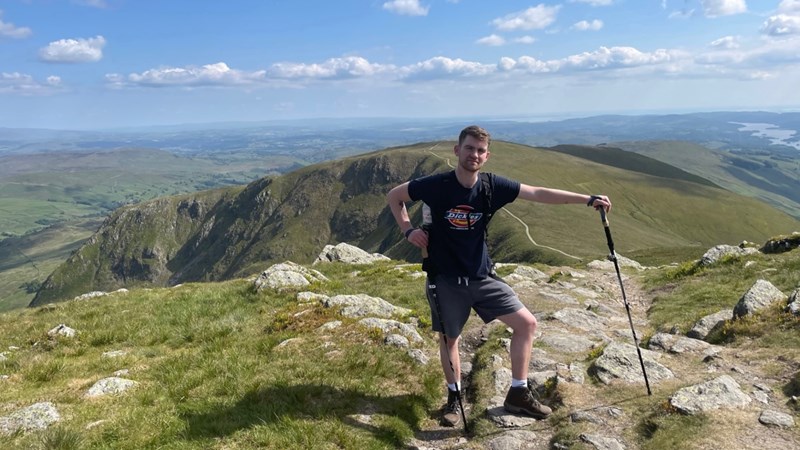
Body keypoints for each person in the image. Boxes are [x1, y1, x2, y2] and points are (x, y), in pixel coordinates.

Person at [386, 125, 611, 427]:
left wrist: (587, 199)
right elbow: (395, 196)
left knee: (527, 324)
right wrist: (408, 231)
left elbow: (537, 193)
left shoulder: (491, 187)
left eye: (480, 150)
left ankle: (518, 393)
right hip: (445, 279)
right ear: (457, 150)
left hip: (482, 277)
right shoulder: (436, 185)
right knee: (450, 339)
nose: (474, 154)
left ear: (487, 156)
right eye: (469, 148)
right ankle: (454, 398)